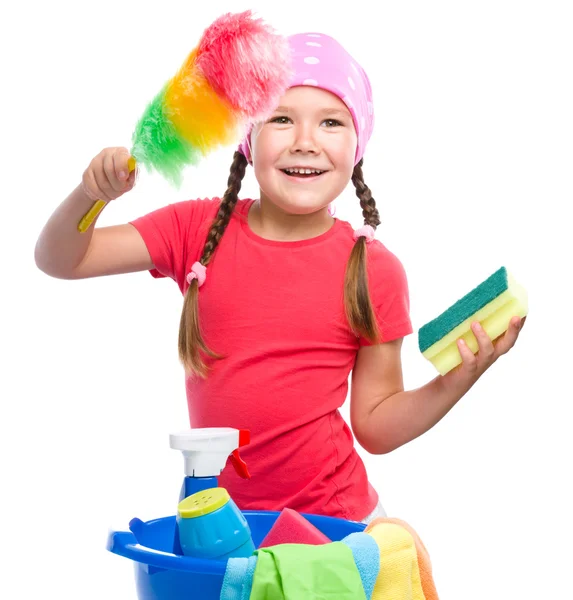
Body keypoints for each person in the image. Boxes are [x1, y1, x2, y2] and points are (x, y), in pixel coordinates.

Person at [34, 32, 525, 524]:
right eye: (282, 119)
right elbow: (61, 259)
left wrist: (456, 380)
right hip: (223, 526)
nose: (305, 142)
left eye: (331, 122)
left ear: (357, 147)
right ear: (250, 138)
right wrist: (90, 194)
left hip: (336, 526)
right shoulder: (195, 229)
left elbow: (375, 426)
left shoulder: (373, 269)